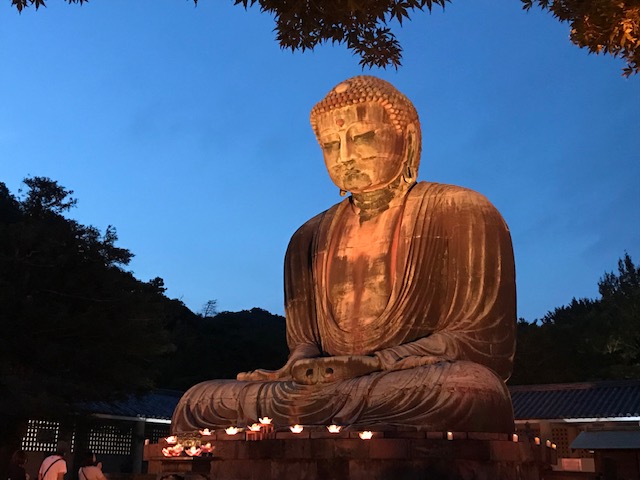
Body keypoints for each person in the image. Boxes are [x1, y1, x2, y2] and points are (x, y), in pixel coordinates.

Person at [172, 75, 517, 433]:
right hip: (330, 388)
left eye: (363, 137)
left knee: (467, 390)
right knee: (199, 401)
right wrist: (303, 363)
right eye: (330, 144)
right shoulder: (307, 236)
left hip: (409, 381)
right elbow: (306, 343)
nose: (345, 156)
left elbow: (481, 343)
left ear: (409, 139)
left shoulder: (462, 210)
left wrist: (376, 363)